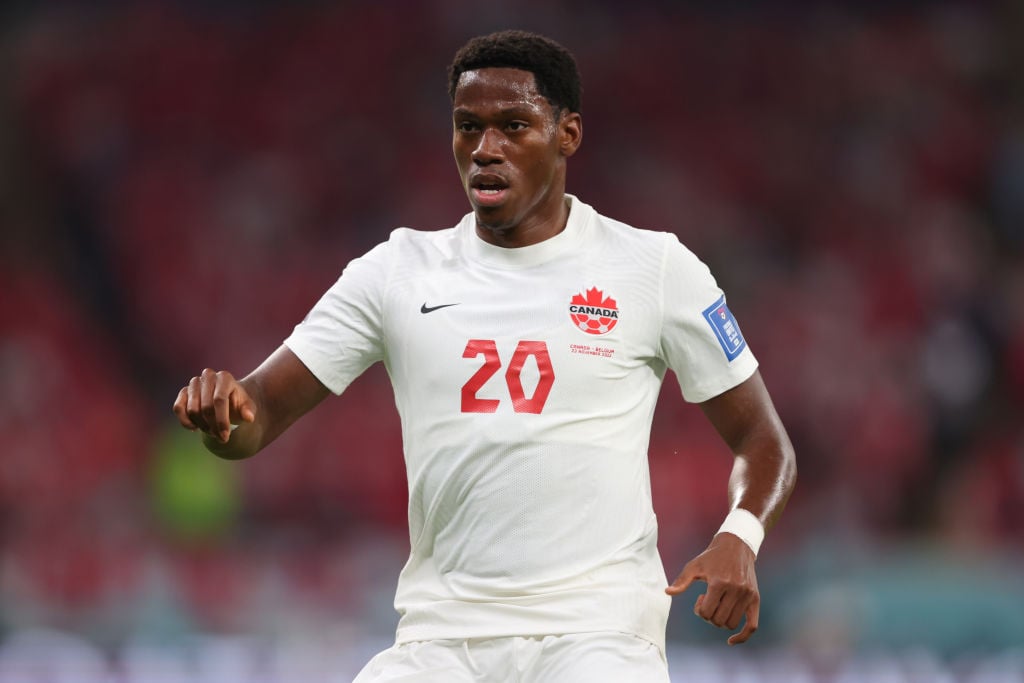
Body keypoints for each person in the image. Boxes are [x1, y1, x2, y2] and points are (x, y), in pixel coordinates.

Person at [173, 29, 796, 682]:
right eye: (468, 127)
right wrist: (227, 421)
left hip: (598, 634)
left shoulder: (654, 267)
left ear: (568, 134)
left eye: (513, 126)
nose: (485, 149)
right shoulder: (397, 272)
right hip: (441, 637)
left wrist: (739, 536)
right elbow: (261, 410)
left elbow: (763, 440)